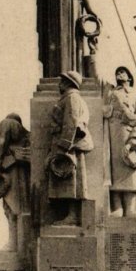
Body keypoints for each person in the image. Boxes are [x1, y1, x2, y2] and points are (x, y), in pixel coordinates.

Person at [47, 70, 93, 225]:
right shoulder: (68, 98)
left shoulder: (72, 98)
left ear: (68, 83)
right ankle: (69, 215)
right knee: (66, 179)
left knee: (70, 178)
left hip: (69, 146)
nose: (59, 84)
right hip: (66, 144)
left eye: (62, 81)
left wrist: (64, 146)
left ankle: (72, 216)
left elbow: (71, 122)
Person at [104, 66, 136, 217]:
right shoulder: (111, 92)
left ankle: (130, 207)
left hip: (128, 137)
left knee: (129, 169)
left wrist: (132, 141)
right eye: (117, 72)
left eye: (122, 72)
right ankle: (117, 207)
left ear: (129, 77)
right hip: (112, 137)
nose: (119, 74)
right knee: (113, 172)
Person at [0, 114, 31, 250]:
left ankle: (13, 243)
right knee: (19, 208)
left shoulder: (6, 123)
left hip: (9, 170)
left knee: (10, 208)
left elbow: (0, 144)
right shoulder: (26, 135)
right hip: (21, 173)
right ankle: (18, 244)